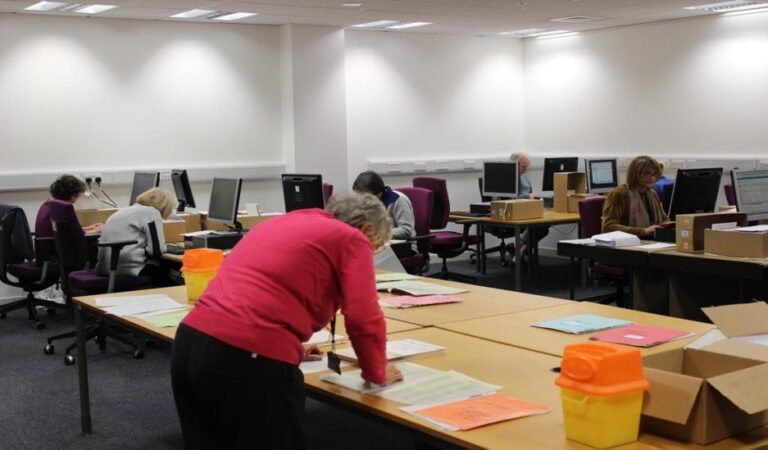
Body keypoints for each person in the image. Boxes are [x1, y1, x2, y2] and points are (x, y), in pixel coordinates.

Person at [171, 193, 403, 450]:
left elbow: (258, 289)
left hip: (191, 341)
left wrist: (286, 345)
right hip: (246, 357)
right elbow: (363, 318)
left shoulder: (284, 222)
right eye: (376, 247)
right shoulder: (351, 238)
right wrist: (377, 372)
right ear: (366, 229)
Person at [95, 188, 175, 285]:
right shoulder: (152, 212)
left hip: (106, 268)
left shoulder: (125, 210)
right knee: (172, 269)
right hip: (130, 270)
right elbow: (156, 250)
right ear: (165, 206)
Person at [35, 174, 102, 264]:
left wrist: (88, 228)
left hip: (46, 252)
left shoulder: (50, 204)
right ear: (74, 194)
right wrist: (97, 231)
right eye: (79, 194)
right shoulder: (65, 207)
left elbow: (65, 230)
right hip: (56, 255)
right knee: (95, 242)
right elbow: (75, 236)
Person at [602, 155, 670, 237]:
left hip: (649, 241)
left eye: (655, 174)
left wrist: (671, 225)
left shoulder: (652, 193)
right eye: (647, 174)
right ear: (634, 173)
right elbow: (608, 226)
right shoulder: (619, 194)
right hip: (626, 243)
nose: (652, 178)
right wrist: (642, 231)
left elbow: (663, 219)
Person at [352, 171, 415, 240]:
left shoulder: (398, 200)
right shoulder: (369, 202)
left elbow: (406, 231)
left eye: (365, 196)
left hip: (401, 245)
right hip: (379, 243)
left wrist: (378, 233)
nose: (362, 199)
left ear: (378, 193)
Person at [509, 152, 549, 257]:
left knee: (543, 226)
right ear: (514, 164)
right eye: (523, 167)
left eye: (527, 167)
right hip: (514, 212)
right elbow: (510, 200)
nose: (525, 170)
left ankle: (520, 247)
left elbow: (531, 196)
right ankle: (520, 250)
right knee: (539, 227)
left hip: (528, 210)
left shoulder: (524, 178)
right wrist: (528, 197)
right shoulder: (507, 179)